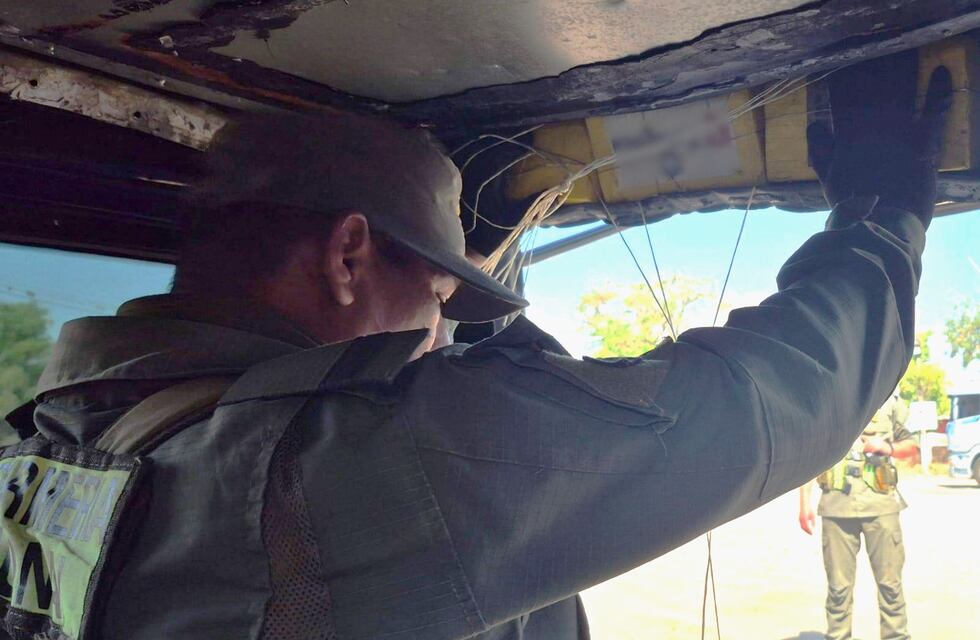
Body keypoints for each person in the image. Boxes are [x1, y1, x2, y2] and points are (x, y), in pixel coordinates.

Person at [0, 56, 951, 639]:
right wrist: (882, 220)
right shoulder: (345, 462)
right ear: (347, 258)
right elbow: (768, 401)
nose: (439, 332)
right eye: (438, 294)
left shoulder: (40, 441)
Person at [799, 390, 918, 640]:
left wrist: (887, 447)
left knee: (890, 586)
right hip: (836, 507)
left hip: (881, 508)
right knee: (838, 589)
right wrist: (804, 503)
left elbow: (912, 447)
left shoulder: (889, 401)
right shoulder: (828, 400)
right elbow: (811, 453)